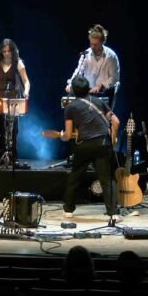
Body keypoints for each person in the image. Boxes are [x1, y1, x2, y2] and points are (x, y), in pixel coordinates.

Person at [58, 75, 120, 223]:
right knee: (106, 179)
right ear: (88, 88)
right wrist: (113, 139)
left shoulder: (70, 107)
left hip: (84, 145)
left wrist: (61, 136)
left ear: (73, 90)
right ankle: (113, 213)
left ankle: (68, 210)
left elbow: (67, 135)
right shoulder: (99, 102)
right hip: (103, 144)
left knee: (75, 176)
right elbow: (116, 121)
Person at [0, 38, 30, 164]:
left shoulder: (18, 63)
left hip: (14, 98)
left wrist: (26, 92)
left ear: (13, 51)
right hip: (0, 96)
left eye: (9, 51)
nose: (7, 53)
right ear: (1, 52)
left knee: (13, 128)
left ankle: (12, 155)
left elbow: (26, 81)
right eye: (4, 51)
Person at [65, 24, 120, 107]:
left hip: (105, 93)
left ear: (102, 42)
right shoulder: (86, 54)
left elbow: (114, 78)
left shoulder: (111, 56)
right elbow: (79, 71)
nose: (93, 47)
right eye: (91, 44)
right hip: (89, 93)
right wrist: (71, 84)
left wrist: (102, 85)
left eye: (96, 45)